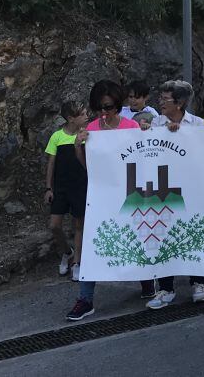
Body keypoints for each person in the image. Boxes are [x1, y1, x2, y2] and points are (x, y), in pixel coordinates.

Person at [66, 80, 141, 321]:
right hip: (100, 194)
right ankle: (85, 299)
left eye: (108, 107)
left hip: (130, 191)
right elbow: (89, 167)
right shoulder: (92, 130)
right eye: (99, 108)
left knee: (139, 236)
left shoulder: (131, 126)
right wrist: (78, 148)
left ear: (117, 105)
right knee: (92, 245)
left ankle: (149, 280)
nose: (103, 112)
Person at [146, 80, 204, 309]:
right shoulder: (154, 123)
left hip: (192, 188)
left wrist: (182, 135)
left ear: (180, 102)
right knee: (163, 235)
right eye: (160, 98)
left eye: (166, 99)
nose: (161, 102)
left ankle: (198, 283)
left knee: (191, 233)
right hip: (164, 189)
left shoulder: (198, 124)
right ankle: (165, 288)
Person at [44, 101, 89, 279]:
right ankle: (67, 252)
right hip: (61, 187)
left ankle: (77, 262)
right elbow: (51, 164)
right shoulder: (57, 136)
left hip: (80, 186)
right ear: (71, 118)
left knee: (79, 225)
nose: (87, 117)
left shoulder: (86, 135)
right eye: (83, 114)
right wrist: (48, 188)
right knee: (54, 226)